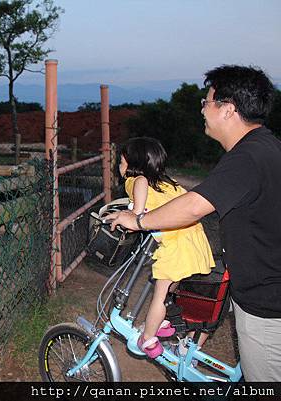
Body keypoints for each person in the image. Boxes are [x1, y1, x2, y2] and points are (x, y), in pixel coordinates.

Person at [107, 65, 280, 381]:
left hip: (266, 306)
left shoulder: (247, 157)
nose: (202, 108)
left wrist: (140, 220)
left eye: (207, 101)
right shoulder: (267, 146)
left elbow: (193, 206)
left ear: (227, 110)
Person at [117, 137, 214, 358]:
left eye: (122, 163)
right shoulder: (169, 183)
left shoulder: (135, 181)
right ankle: (162, 322)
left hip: (176, 248)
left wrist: (135, 214)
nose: (120, 168)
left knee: (159, 295)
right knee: (171, 288)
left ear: (134, 165)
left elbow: (139, 199)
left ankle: (149, 339)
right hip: (195, 241)